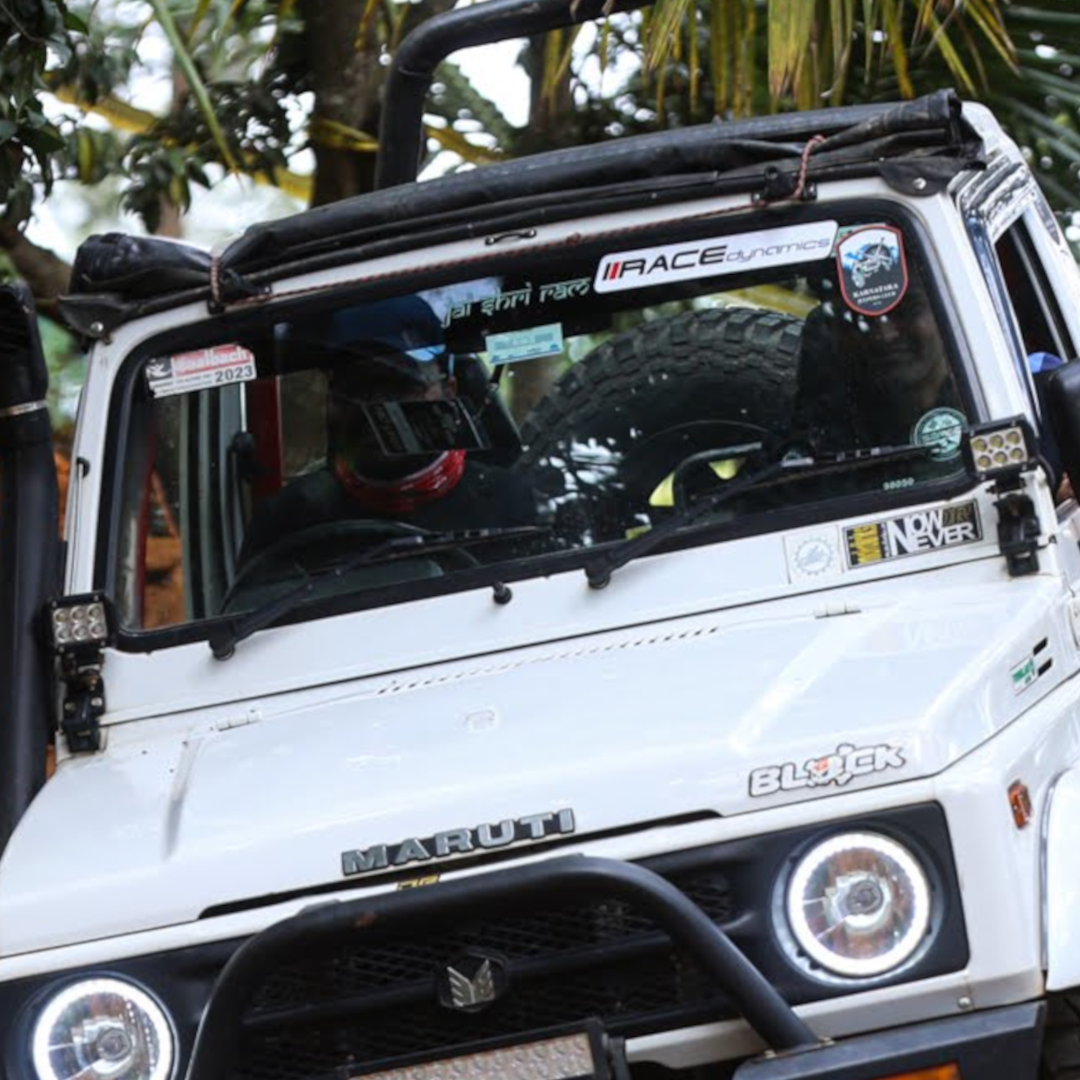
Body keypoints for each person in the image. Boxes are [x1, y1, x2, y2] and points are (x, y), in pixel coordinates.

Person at [239, 296, 536, 565]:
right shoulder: (286, 520)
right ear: (330, 400)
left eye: (399, 383)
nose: (376, 407)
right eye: (357, 386)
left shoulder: (510, 501)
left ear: (449, 392)